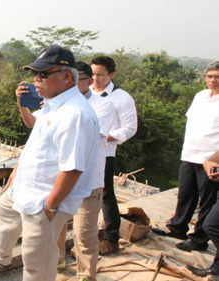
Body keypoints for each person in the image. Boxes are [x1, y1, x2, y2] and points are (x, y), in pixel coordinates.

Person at [0, 45, 99, 281]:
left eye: (44, 74)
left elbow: (72, 168)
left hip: (46, 197)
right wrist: (18, 169)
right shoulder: (54, 104)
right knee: (3, 211)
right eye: (35, 74)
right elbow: (38, 141)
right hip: (27, 185)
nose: (37, 80)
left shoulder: (75, 115)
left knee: (38, 256)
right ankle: (0, 254)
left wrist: (50, 205)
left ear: (67, 77)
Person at [13, 61, 117, 281]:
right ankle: (56, 264)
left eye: (87, 77)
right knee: (54, 233)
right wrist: (22, 103)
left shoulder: (97, 107)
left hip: (86, 185)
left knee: (84, 234)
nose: (88, 81)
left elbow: (75, 160)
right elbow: (33, 125)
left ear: (68, 78)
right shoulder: (55, 103)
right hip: (56, 184)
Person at [152, 62, 219, 252]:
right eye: (210, 76)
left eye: (217, 77)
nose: (213, 80)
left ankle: (198, 240)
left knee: (207, 200)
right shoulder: (200, 96)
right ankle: (178, 227)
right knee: (185, 194)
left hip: (210, 159)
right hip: (190, 153)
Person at [90, 56, 138, 255]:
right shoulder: (86, 94)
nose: (95, 79)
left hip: (105, 152)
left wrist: (106, 137)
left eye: (100, 75)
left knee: (106, 195)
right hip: (82, 152)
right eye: (92, 74)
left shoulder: (121, 98)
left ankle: (111, 239)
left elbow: (130, 128)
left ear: (111, 75)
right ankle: (88, 234)